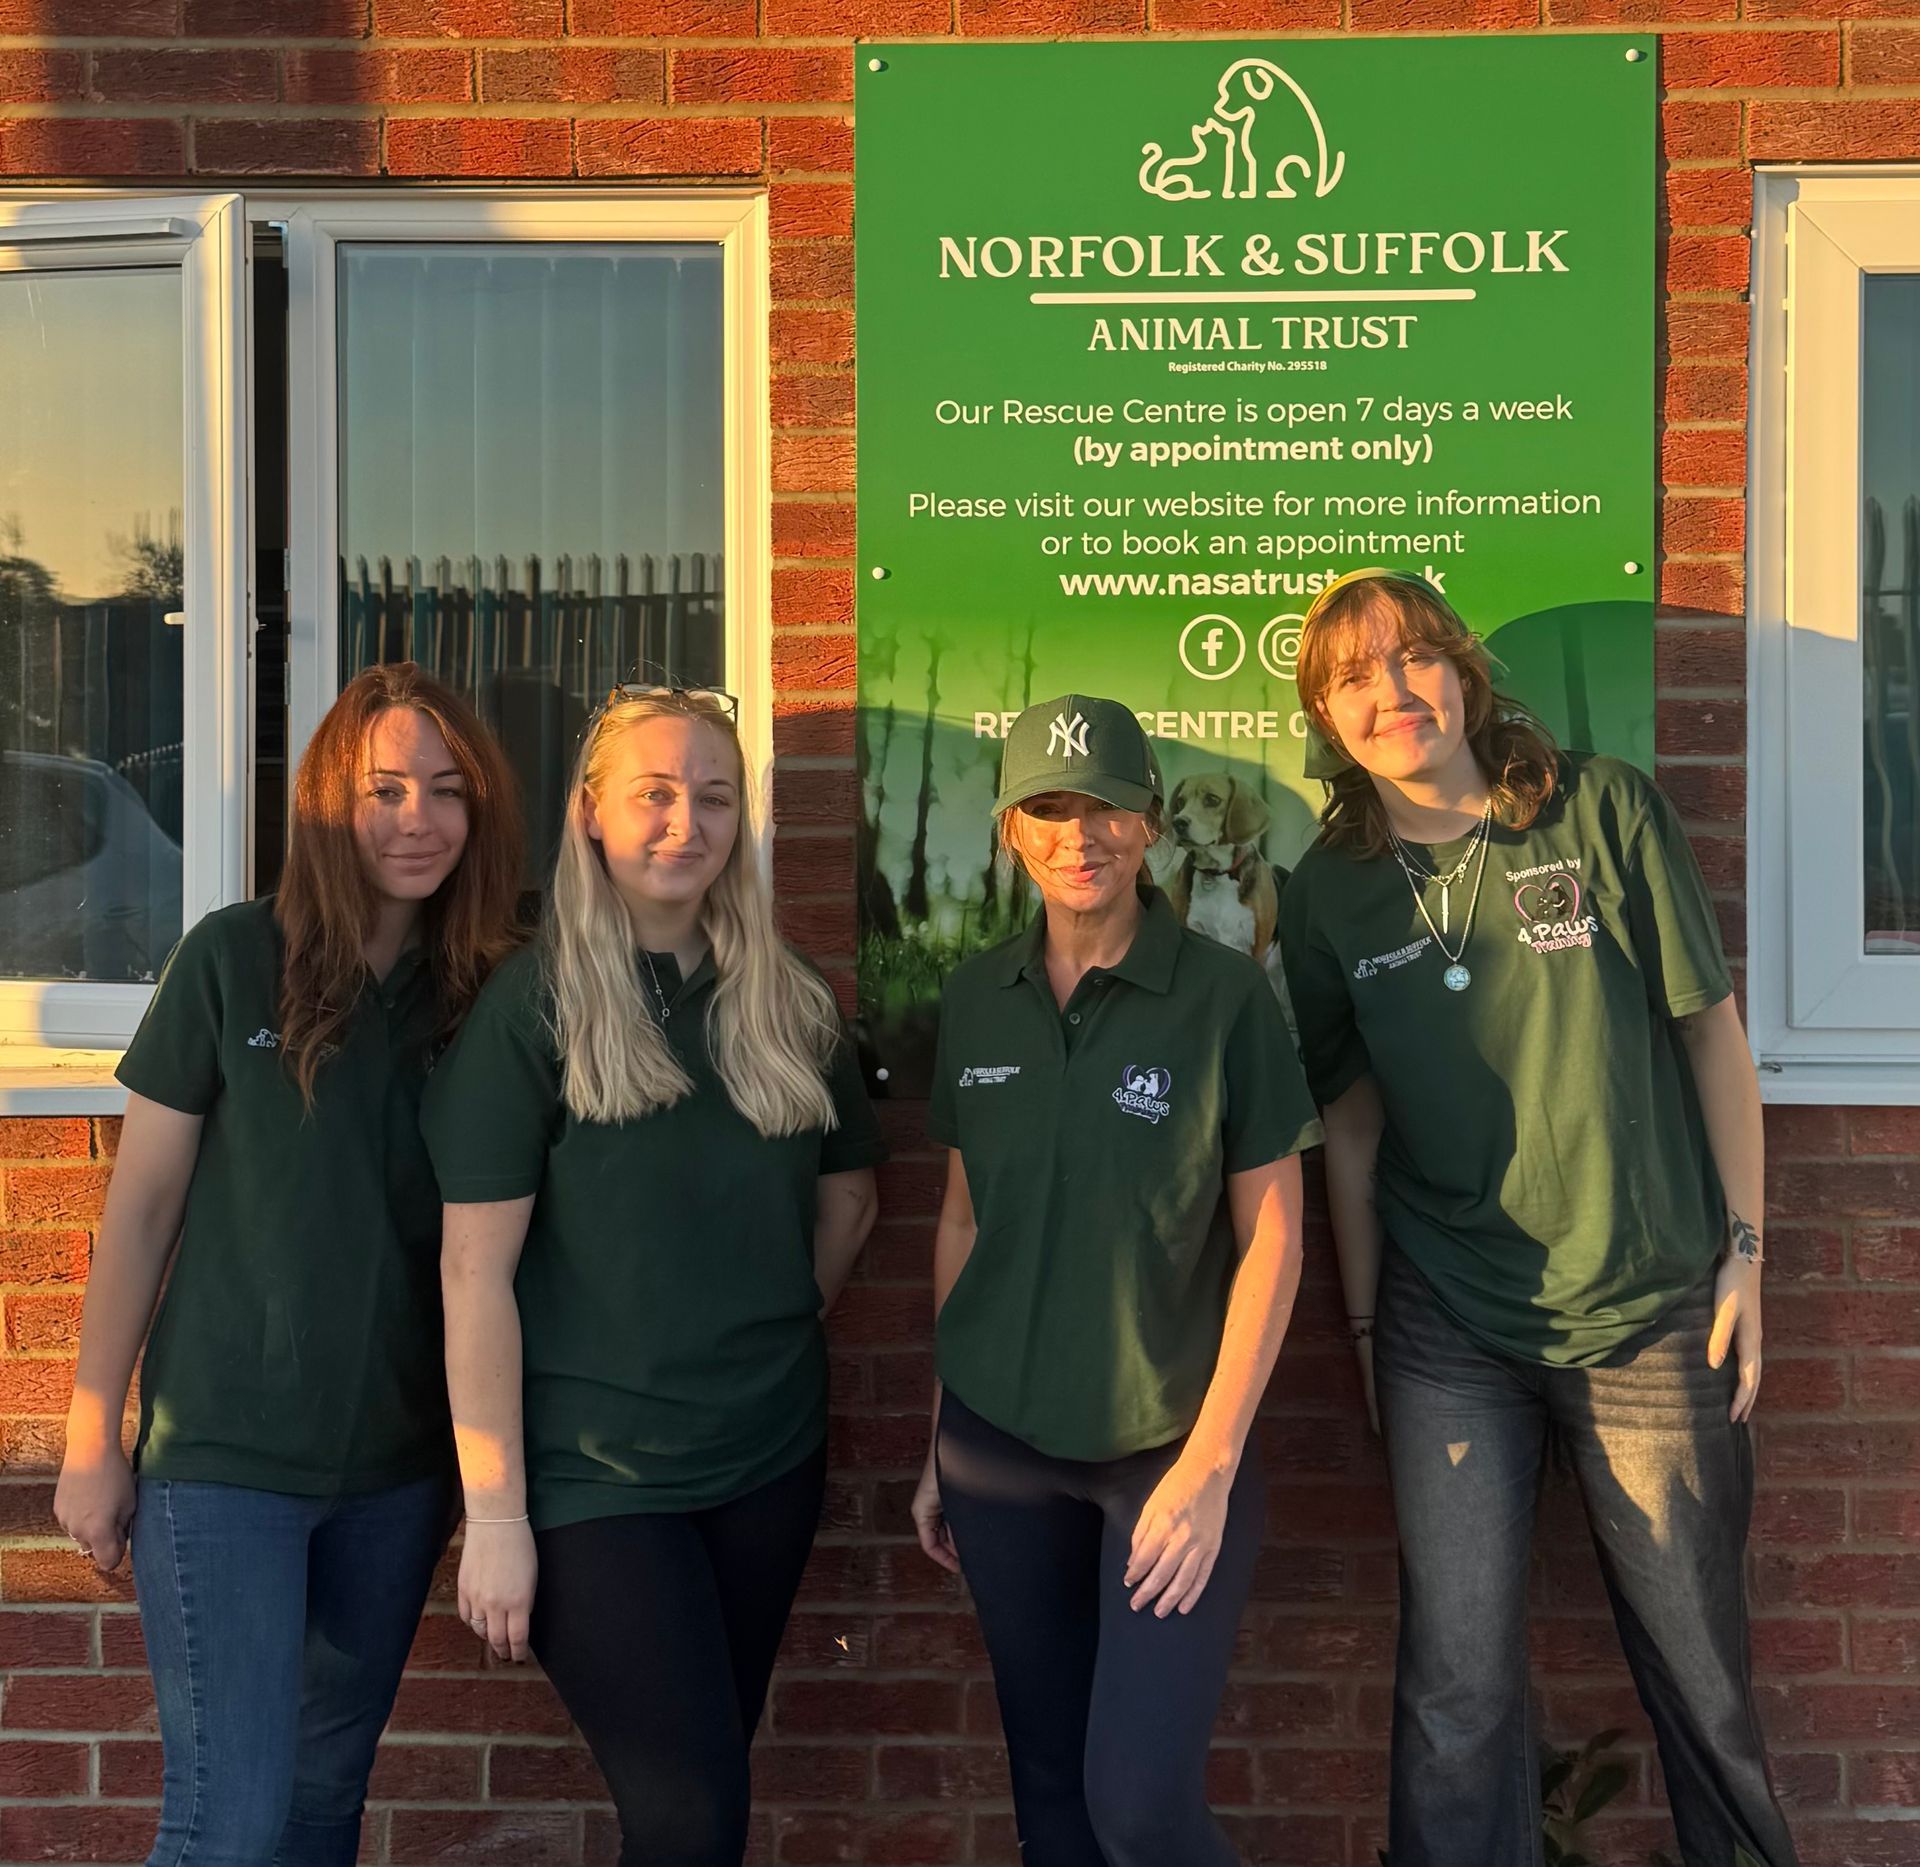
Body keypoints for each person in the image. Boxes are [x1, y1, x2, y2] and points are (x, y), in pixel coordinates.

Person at [1276, 569, 1796, 1867]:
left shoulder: (1601, 806)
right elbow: (1347, 1121)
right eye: (1353, 677)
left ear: (1461, 670)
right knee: (1455, 1690)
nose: (1391, 694)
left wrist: (1746, 1253)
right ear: (1327, 717)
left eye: (1412, 659)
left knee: (1702, 1677)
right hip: (1446, 1324)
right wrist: (1355, 1317)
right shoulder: (1329, 891)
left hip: (1649, 1307)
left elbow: (1710, 1036)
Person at [52, 663, 523, 1865]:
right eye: (382, 789)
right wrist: (90, 1436)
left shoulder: (493, 990)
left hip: (398, 1472)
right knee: (229, 1819)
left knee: (321, 1809)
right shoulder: (232, 958)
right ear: (326, 800)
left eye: (445, 789)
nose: (416, 817)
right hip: (223, 1466)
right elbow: (144, 1208)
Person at [424, 685, 883, 1867]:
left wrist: (766, 1317)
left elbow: (850, 1199)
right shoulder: (534, 1007)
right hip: (595, 1478)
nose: (687, 822)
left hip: (766, 1459)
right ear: (590, 813)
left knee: (705, 1794)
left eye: (715, 798)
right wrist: (497, 1516)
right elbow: (474, 1272)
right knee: (688, 1812)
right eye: (657, 794)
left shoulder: (792, 999)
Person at [909, 694, 1319, 1867]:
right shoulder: (973, 997)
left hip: (1167, 1453)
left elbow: (1276, 1243)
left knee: (1137, 1804)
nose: (1079, 835)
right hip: (998, 1452)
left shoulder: (1226, 999)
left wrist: (1211, 1466)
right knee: (1049, 1796)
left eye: (1108, 810)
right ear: (1012, 831)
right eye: (1049, 809)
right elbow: (961, 1217)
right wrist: (940, 1435)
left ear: (1150, 827)